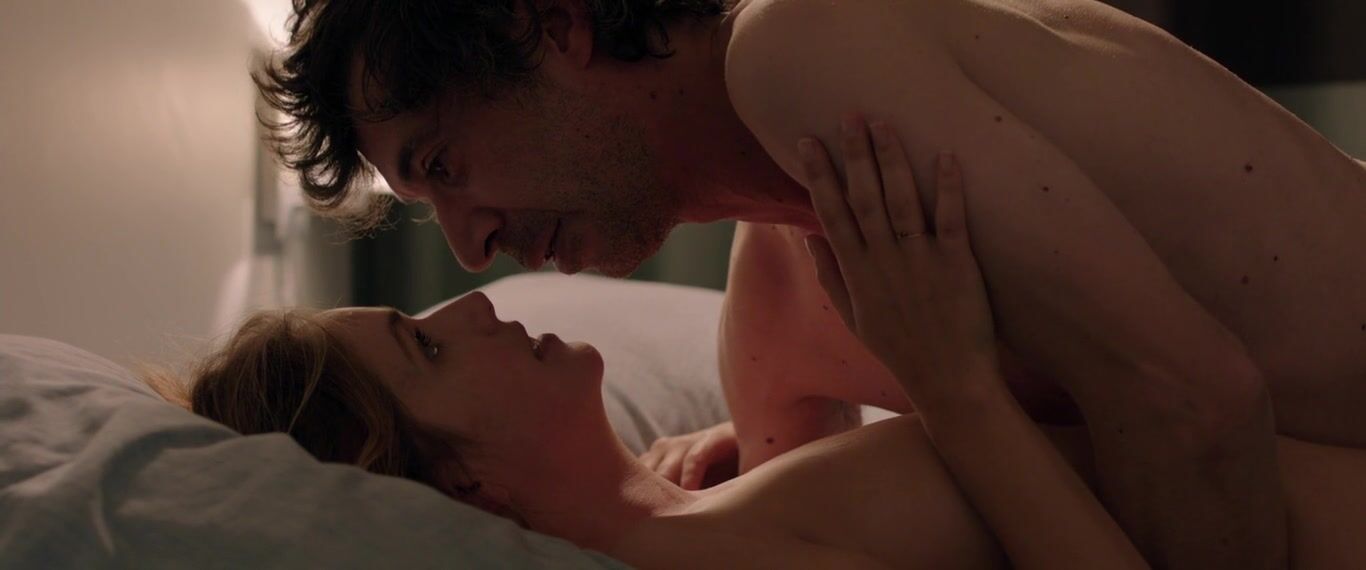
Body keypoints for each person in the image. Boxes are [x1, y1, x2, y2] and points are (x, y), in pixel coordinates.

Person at [254, 0, 1366, 565]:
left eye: (446, 164)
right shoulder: (780, 306)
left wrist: (953, 390)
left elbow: (1199, 406)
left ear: (553, 26)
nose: (469, 252)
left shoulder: (796, 52)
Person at [155, 145, 1366, 569]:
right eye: (424, 348)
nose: (471, 304)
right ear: (460, 485)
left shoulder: (706, 509)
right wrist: (952, 389)